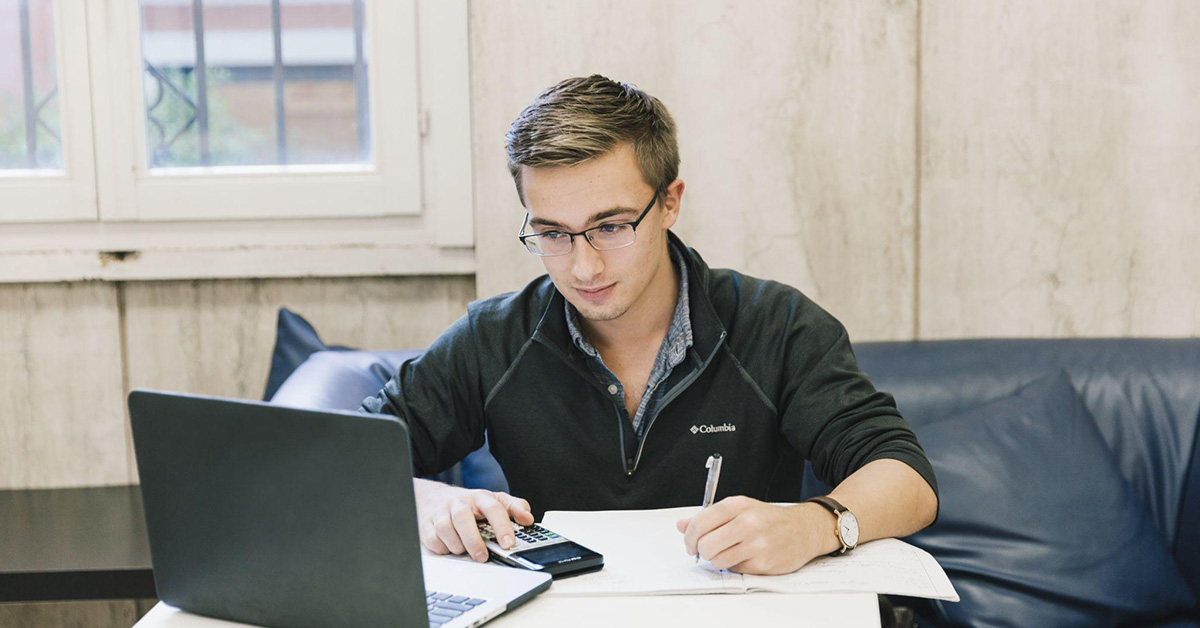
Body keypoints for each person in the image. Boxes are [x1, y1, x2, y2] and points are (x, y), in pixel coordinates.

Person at [362, 74, 938, 576]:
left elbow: (906, 478)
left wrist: (815, 526)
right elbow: (340, 460)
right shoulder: (494, 339)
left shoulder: (776, 326)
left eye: (610, 226)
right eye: (553, 233)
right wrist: (427, 501)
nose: (583, 267)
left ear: (669, 202)